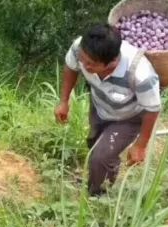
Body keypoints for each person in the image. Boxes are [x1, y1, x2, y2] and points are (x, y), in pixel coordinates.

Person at [54, 24, 162, 196]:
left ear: (112, 62)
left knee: (100, 156)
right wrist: (64, 101)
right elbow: (71, 68)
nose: (84, 65)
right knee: (94, 145)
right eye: (82, 59)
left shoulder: (140, 73)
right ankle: (101, 176)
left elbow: (153, 108)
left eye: (91, 64)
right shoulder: (80, 48)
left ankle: (98, 196)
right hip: (101, 107)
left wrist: (141, 144)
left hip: (130, 116)